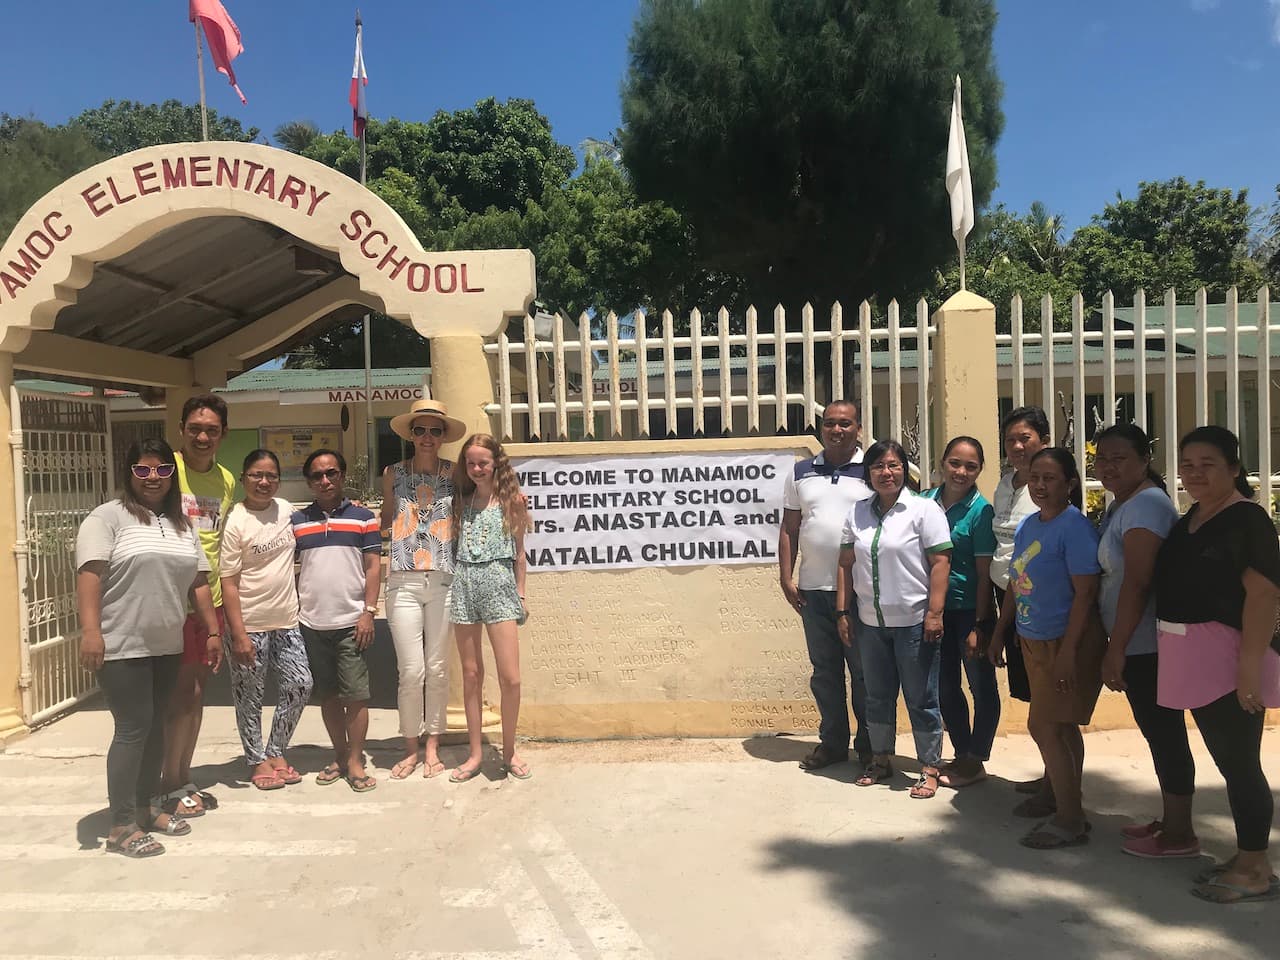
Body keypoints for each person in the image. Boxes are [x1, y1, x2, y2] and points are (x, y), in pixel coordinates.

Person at [76, 438, 221, 858]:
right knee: (133, 728)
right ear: (129, 473)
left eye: (161, 470)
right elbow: (90, 575)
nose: (153, 477)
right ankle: (121, 826)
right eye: (143, 470)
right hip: (121, 643)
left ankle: (145, 807)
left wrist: (212, 631)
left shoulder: (181, 523)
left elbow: (197, 581)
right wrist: (91, 632)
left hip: (167, 643)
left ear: (172, 476)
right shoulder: (107, 518)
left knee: (158, 723)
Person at [1154, 426, 1280, 904]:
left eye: (1207, 464)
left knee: (1240, 763)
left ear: (1233, 467)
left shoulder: (1245, 520)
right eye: (1187, 465)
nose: (1194, 473)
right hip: (1194, 656)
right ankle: (1249, 855)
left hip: (1229, 657)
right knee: (1229, 762)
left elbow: (1265, 594)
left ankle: (1255, 868)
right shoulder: (1199, 514)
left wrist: (1248, 669)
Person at [989, 447, 1104, 849]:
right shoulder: (1029, 526)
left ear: (1070, 484)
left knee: (1045, 726)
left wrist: (1069, 654)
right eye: (1035, 477)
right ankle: (1057, 793)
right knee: (1061, 726)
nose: (1039, 485)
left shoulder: (1074, 528)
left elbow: (1086, 595)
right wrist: (1001, 630)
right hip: (1032, 639)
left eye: (1049, 478)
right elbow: (1015, 582)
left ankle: (1071, 819)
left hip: (1064, 641)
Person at [1094, 424, 1191, 858]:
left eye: (1120, 458)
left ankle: (1180, 835)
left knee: (1165, 734)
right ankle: (1172, 821)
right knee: (1157, 733)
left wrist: (1116, 648)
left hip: (1146, 643)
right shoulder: (1125, 504)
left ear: (1144, 460)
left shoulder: (1147, 505)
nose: (1109, 467)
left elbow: (1137, 582)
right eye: (1102, 459)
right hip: (1135, 640)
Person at [836, 440, 952, 799]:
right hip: (871, 622)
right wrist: (843, 611)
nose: (887, 473)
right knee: (877, 695)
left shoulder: (924, 510)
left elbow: (940, 563)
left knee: (921, 697)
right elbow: (845, 565)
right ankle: (881, 758)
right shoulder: (857, 512)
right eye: (878, 467)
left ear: (905, 469)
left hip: (915, 622)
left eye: (894, 465)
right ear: (868, 474)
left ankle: (929, 766)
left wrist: (935, 613)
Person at [779, 399, 874, 771]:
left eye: (845, 424)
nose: (837, 430)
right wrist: (785, 577)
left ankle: (870, 746)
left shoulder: (873, 468)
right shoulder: (801, 472)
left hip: (859, 590)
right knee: (825, 671)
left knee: (864, 673)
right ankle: (833, 743)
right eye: (830, 423)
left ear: (858, 429)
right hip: (813, 590)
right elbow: (790, 527)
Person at [381, 400, 468, 780]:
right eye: (421, 430)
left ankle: (433, 744)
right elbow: (386, 518)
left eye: (435, 431)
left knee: (437, 668)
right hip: (402, 578)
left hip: (444, 579)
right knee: (411, 670)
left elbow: (468, 513)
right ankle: (410, 746)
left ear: (444, 436)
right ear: (411, 435)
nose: (428, 437)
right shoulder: (393, 472)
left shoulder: (455, 474)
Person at [159, 394, 236, 819]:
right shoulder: (166, 471)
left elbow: (217, 540)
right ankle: (167, 784)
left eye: (211, 429)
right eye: (195, 429)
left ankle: (184, 776)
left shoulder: (225, 479)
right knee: (178, 694)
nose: (202, 436)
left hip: (212, 603)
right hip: (174, 601)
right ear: (182, 430)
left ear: (223, 433)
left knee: (198, 693)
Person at [219, 450, 314, 791]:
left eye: (271, 475)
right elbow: (228, 582)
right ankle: (257, 760)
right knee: (250, 696)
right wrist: (238, 634)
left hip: (287, 621)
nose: (264, 482)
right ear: (244, 478)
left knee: (300, 684)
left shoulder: (286, 510)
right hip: (250, 624)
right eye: (257, 475)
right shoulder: (236, 521)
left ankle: (276, 750)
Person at [293, 449, 382, 793]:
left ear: (343, 475)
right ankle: (340, 754)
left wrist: (368, 612)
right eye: (317, 475)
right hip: (312, 624)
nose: (325, 480)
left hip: (351, 623)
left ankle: (356, 760)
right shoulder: (297, 521)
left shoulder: (363, 518)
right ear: (309, 481)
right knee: (328, 695)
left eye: (331, 473)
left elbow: (372, 567)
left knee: (356, 695)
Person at [445, 434, 531, 783]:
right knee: (470, 674)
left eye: (483, 462)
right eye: (471, 463)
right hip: (465, 584)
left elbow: (521, 554)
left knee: (511, 678)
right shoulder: (460, 504)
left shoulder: (513, 503)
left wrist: (521, 595)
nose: (477, 469)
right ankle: (476, 752)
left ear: (497, 463)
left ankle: (509, 751)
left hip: (499, 586)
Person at [924, 436, 1000, 789]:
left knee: (982, 686)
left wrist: (981, 625)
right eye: (955, 463)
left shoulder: (981, 511)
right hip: (935, 611)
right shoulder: (923, 502)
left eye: (971, 466)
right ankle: (962, 751)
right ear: (942, 463)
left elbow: (985, 575)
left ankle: (976, 757)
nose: (961, 471)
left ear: (980, 470)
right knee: (944, 687)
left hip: (970, 610)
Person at [991, 405, 1052, 804]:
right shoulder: (1004, 483)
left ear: (1043, 440)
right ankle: (1052, 777)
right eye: (1011, 439)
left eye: (1025, 438)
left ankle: (1058, 786)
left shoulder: (1051, 483)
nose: (1017, 446)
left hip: (1036, 599)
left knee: (1048, 700)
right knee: (1031, 692)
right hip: (1006, 595)